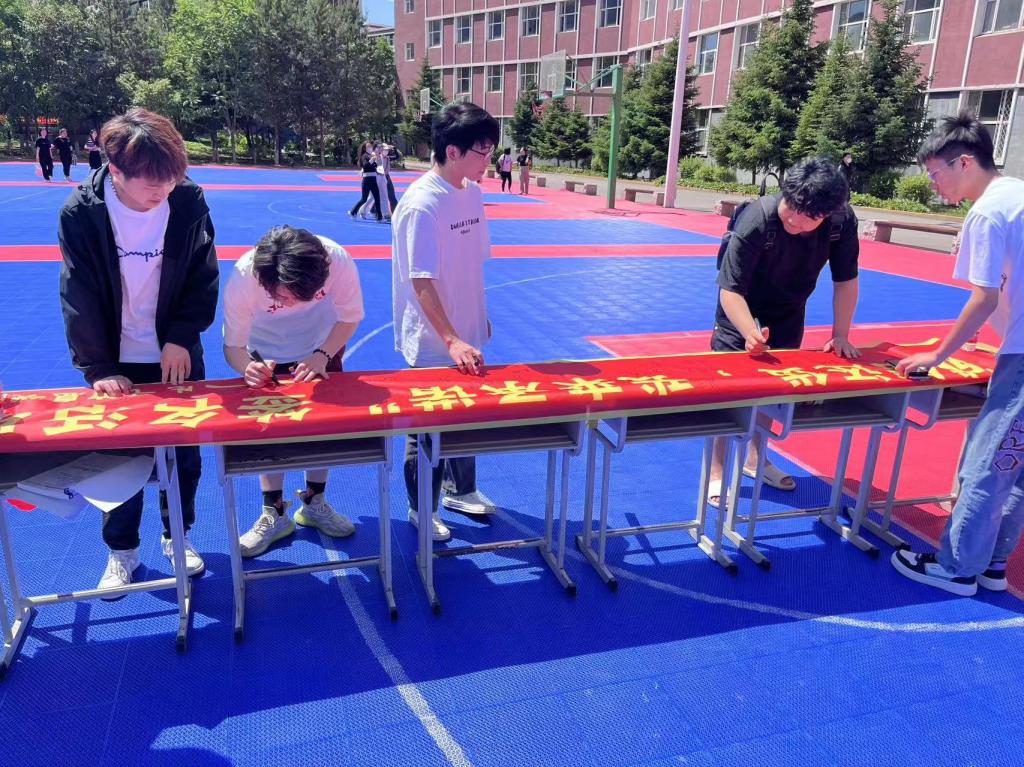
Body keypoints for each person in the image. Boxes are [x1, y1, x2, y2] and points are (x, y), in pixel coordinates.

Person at [57, 108, 219, 594]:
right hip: (116, 358)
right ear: (116, 170)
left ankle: (178, 536)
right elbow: (79, 292)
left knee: (183, 457)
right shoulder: (82, 213)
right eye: (153, 183)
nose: (164, 190)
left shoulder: (187, 200)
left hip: (175, 353)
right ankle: (122, 550)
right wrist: (98, 367)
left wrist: (181, 337)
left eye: (172, 179)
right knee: (118, 463)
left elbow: (202, 275)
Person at [891, 113, 1024, 597]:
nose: (933, 184)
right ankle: (992, 564)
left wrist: (938, 354)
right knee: (1016, 462)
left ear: (964, 162)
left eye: (934, 173)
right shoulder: (1018, 194)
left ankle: (957, 568)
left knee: (988, 462)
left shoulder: (988, 212)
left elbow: (984, 296)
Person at [707, 156, 860, 504]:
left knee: (773, 392)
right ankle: (716, 471)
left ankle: (756, 460)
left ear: (827, 214)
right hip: (740, 311)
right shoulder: (756, 219)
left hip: (789, 311)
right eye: (791, 209)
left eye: (807, 218)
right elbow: (729, 290)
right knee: (727, 396)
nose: (794, 220)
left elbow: (846, 280)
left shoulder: (840, 221)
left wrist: (840, 334)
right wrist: (749, 332)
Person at [392, 102, 501, 541]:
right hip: (435, 338)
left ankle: (462, 489)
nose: (488, 159)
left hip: (467, 329)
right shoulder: (423, 204)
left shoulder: (471, 192)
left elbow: (472, 261)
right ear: (452, 151)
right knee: (428, 427)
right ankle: (422, 508)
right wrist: (452, 338)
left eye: (491, 149)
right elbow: (421, 281)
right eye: (482, 150)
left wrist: (478, 316)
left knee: (466, 414)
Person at [223, 225, 365, 556]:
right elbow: (233, 347)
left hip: (322, 345)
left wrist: (323, 354)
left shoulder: (336, 260)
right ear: (265, 281)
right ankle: (274, 513)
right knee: (271, 432)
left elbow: (350, 317)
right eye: (284, 297)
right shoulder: (244, 278)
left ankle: (314, 503)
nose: (294, 305)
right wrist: (247, 368)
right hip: (265, 352)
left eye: (306, 296)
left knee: (324, 426)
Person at [349, 140, 383, 222]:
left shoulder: (372, 156)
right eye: (368, 147)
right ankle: (353, 212)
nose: (370, 148)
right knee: (364, 199)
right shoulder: (364, 156)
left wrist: (377, 160)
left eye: (371, 146)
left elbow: (377, 167)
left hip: (373, 179)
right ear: (365, 148)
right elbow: (365, 166)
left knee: (377, 198)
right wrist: (372, 160)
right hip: (367, 180)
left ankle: (379, 217)